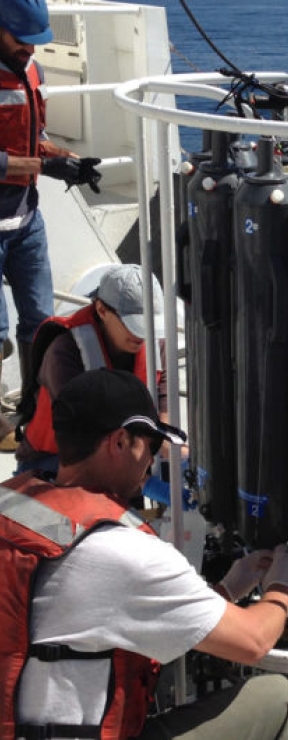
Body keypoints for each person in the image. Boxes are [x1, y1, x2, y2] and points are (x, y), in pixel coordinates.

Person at [0, 367, 288, 740]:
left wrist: (228, 588)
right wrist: (283, 585)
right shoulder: (122, 551)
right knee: (276, 697)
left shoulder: (12, 502)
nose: (150, 461)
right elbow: (253, 642)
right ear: (119, 441)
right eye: (149, 444)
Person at [0, 0, 102, 450]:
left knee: (40, 322)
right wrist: (43, 165)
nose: (29, 49)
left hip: (25, 220)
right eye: (21, 39)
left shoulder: (30, 70)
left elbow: (30, 137)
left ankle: (34, 413)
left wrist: (68, 161)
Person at [15, 262, 168, 474]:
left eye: (148, 324)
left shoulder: (156, 345)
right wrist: (141, 480)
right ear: (102, 310)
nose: (142, 335)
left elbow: (165, 405)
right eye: (133, 324)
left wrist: (166, 447)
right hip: (55, 461)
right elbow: (84, 430)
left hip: (123, 451)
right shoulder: (64, 351)